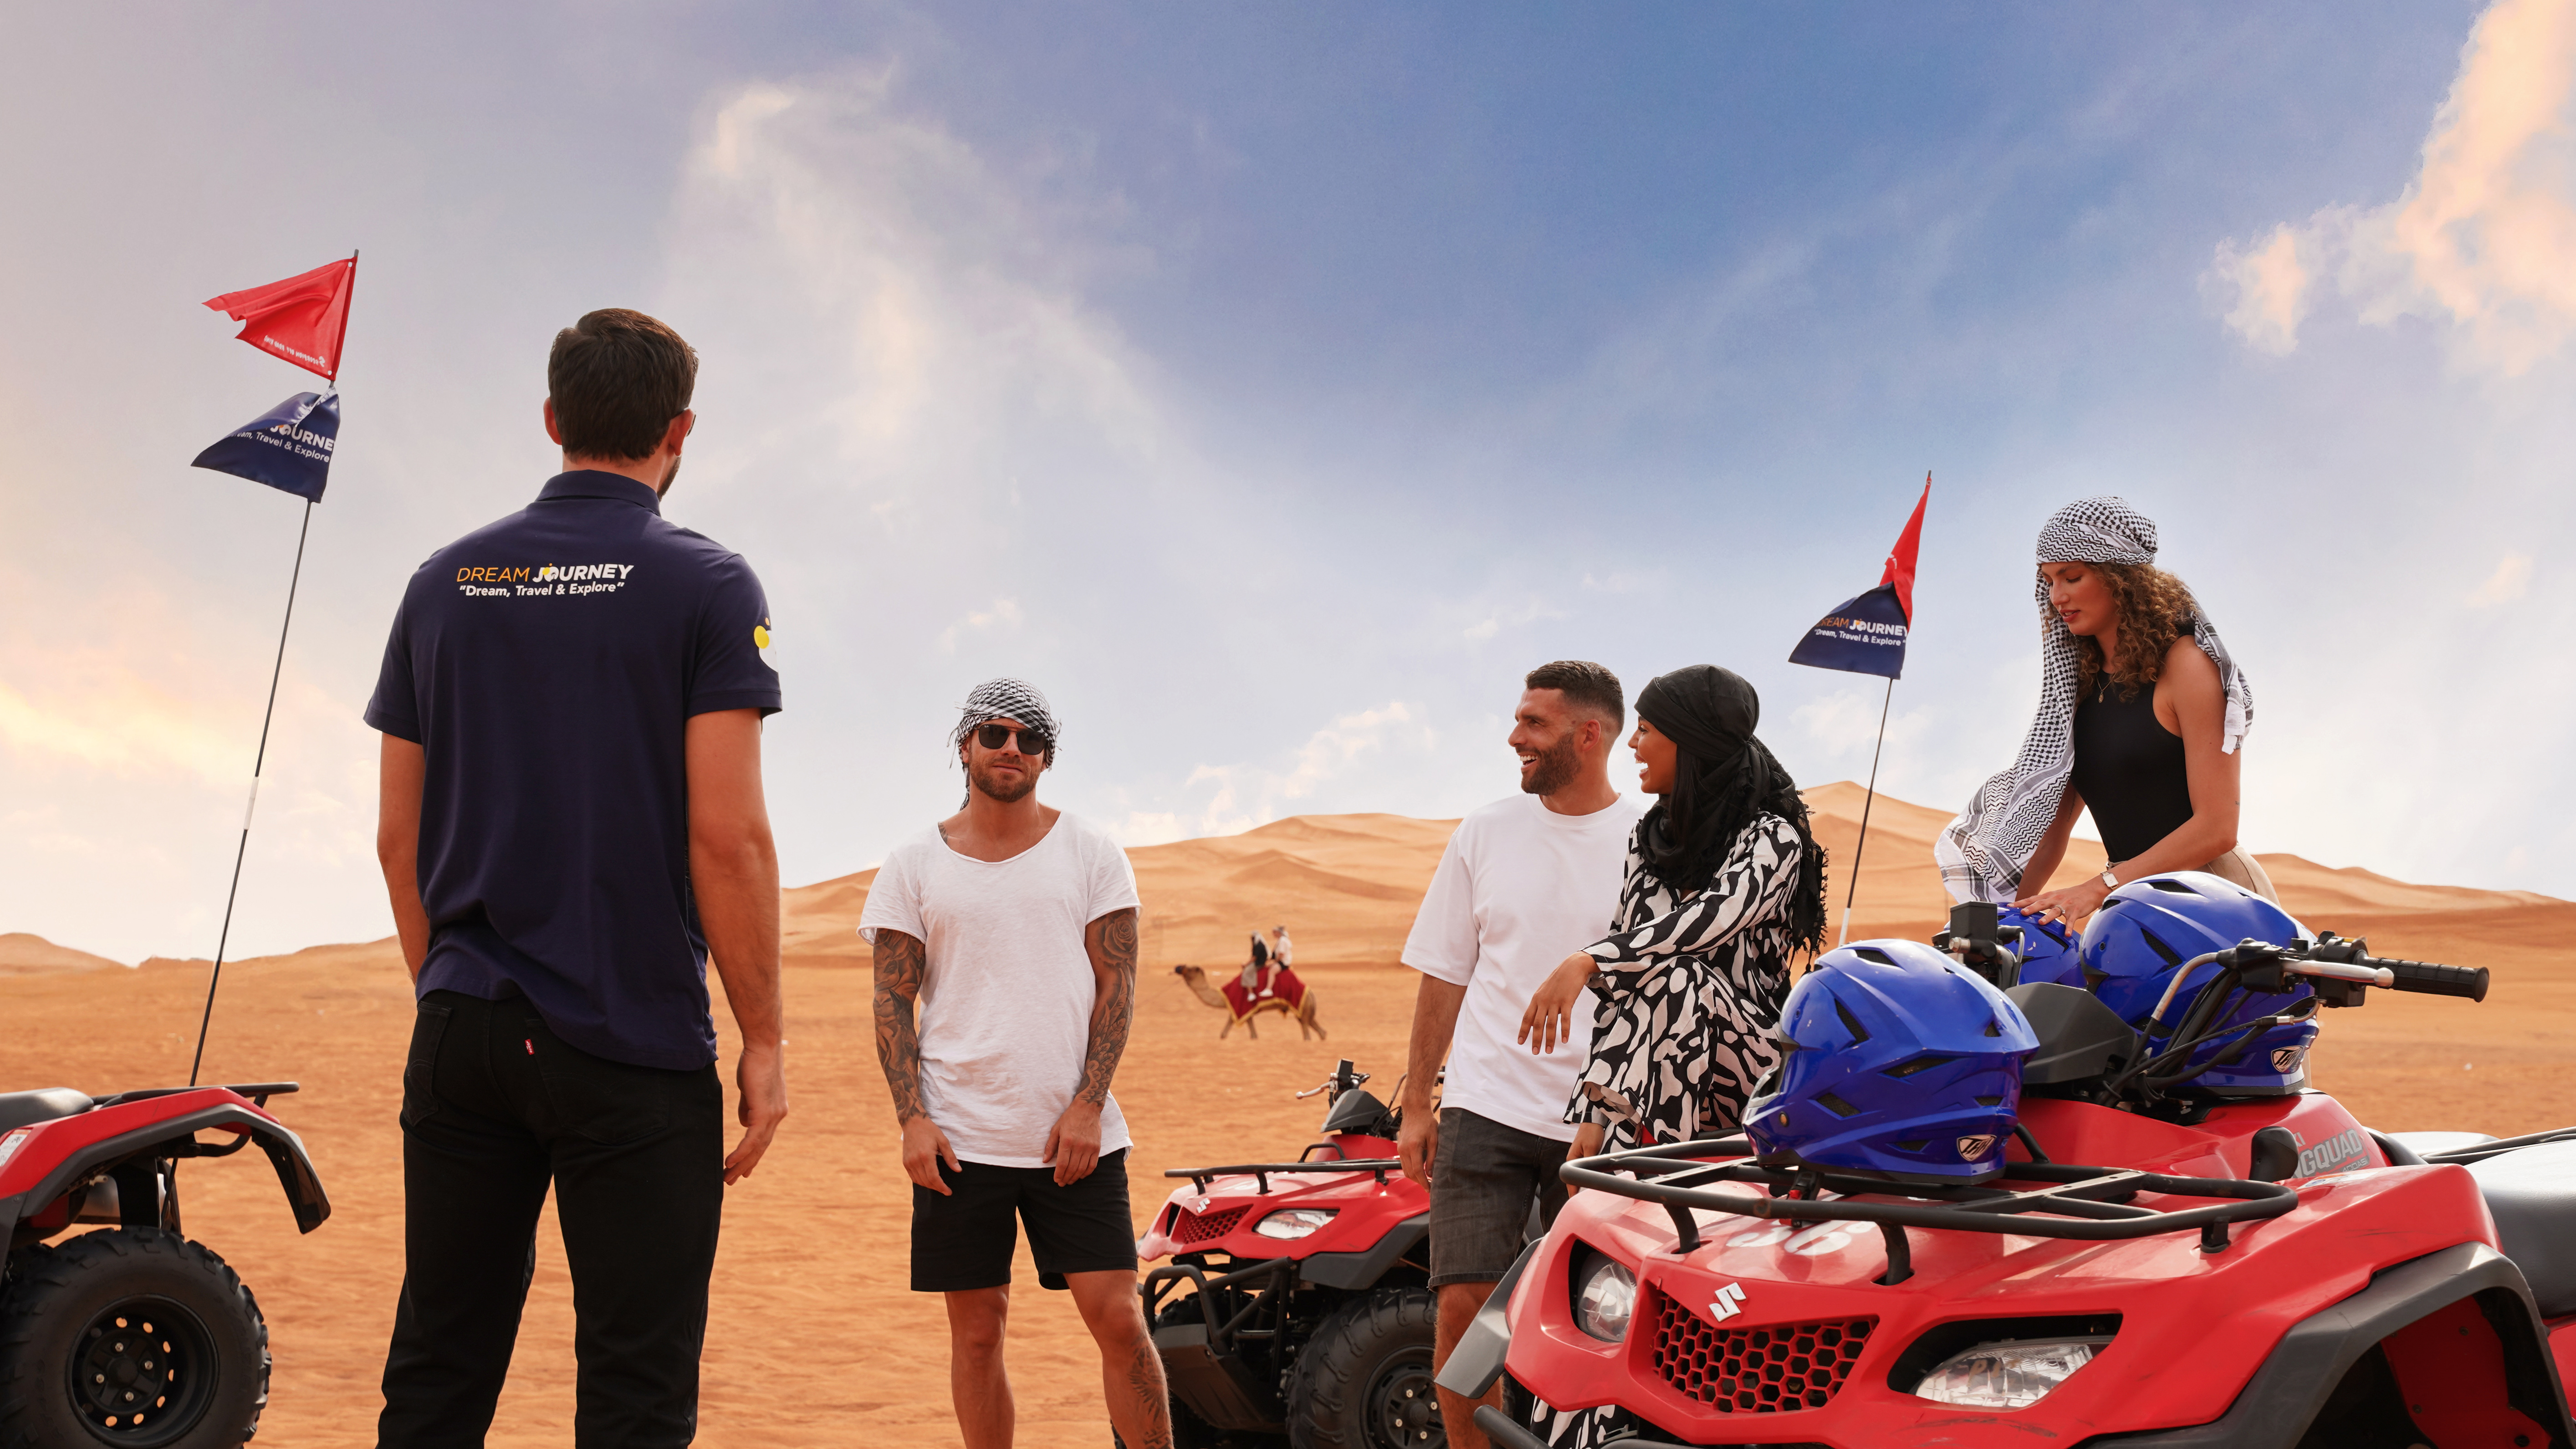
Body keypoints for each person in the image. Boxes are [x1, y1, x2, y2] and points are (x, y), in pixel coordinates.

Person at [366, 308, 787, 1447]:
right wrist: (765, 1036)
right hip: (630, 1036)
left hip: (460, 1025)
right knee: (635, 1387)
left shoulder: (441, 582)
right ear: (681, 431)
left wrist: (445, 986)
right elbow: (729, 837)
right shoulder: (706, 583)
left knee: (438, 1368)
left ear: (552, 420)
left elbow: (395, 838)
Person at [861, 679, 1170, 1449]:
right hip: (958, 1140)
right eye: (995, 735)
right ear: (964, 747)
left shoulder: (1092, 852)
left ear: (1047, 757)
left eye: (1030, 739)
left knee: (1120, 1320)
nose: (1011, 749)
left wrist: (1089, 1102)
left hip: (1075, 1134)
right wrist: (911, 1120)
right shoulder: (913, 863)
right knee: (976, 1334)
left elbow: (1117, 985)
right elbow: (892, 1000)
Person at [1399, 661, 1643, 1449]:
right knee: (1464, 1309)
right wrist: (1416, 1104)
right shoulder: (1486, 830)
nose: (1515, 737)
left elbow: (1657, 985)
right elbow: (1445, 970)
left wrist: (1613, 1106)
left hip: (1601, 1121)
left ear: (1589, 733)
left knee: (1610, 1317)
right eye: (1517, 720)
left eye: (1534, 724)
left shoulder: (1649, 843)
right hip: (1486, 1103)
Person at [1519, 665, 1828, 1157]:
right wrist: (1594, 1113)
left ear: (1689, 741)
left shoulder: (1771, 838)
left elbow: (1710, 919)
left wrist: (1589, 959)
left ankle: (1660, 1170)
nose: (1632, 745)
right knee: (1656, 975)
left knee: (1678, 975)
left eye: (1645, 730)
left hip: (1758, 1070)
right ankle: (1631, 1169)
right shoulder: (1651, 839)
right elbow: (1627, 981)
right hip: (1662, 1060)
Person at [1933, 496, 2265, 923]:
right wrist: (1988, 924)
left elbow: (2217, 829)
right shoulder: (2080, 684)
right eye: (2049, 581)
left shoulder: (2187, 667)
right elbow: (2052, 832)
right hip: (2138, 902)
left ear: (2121, 578)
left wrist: (2100, 887)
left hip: (2219, 899)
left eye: (2072, 577)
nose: (2057, 596)